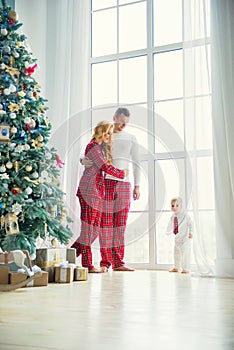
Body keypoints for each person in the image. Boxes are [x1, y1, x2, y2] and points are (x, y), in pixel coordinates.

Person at [82, 108, 141, 271]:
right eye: (121, 121)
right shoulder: (105, 136)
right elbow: (88, 154)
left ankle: (119, 262)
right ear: (114, 118)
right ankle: (105, 263)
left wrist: (137, 185)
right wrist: (82, 161)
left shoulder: (131, 138)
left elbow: (137, 163)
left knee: (120, 225)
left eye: (126, 123)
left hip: (124, 185)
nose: (123, 125)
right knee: (106, 225)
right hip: (104, 184)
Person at [72, 121, 129, 273]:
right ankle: (87, 265)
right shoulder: (93, 147)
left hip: (96, 192)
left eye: (111, 134)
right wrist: (122, 173)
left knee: (93, 230)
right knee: (89, 229)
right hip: (89, 191)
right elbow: (104, 166)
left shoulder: (98, 148)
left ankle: (68, 257)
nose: (110, 136)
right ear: (101, 131)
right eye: (108, 133)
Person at [166, 197, 193, 274]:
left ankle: (186, 268)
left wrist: (191, 233)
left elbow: (190, 224)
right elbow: (170, 225)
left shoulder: (185, 215)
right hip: (177, 238)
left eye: (177, 205)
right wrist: (168, 231)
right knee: (176, 253)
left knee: (185, 253)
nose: (174, 207)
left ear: (181, 206)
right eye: (172, 205)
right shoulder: (173, 216)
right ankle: (176, 267)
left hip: (185, 238)